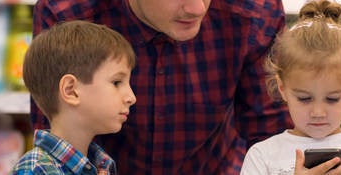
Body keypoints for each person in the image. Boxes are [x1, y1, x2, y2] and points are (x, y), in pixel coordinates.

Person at [30, 0, 293, 174]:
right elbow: (58, 138)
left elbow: (271, 133)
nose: (197, 8)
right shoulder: (67, 12)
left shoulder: (254, 11)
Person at [240, 0, 341, 175]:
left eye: (332, 99)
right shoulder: (261, 157)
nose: (318, 112)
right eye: (304, 98)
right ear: (282, 88)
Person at [12, 20, 137, 175]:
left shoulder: (101, 164)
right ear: (71, 90)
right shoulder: (37, 169)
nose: (131, 97)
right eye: (117, 82)